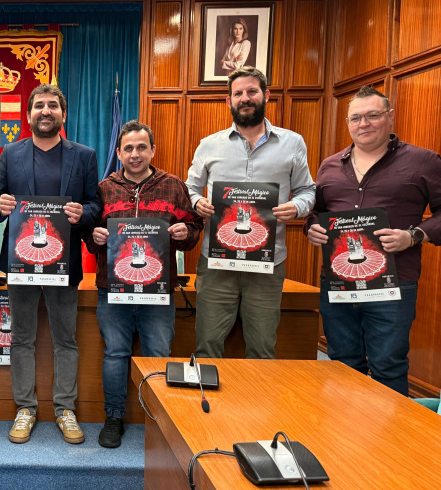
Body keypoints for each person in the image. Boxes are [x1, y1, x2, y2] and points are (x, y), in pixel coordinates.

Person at [304, 86, 441, 396]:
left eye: (372, 115)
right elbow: (317, 213)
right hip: (338, 284)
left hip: (393, 285)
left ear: (390, 117)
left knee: (388, 365)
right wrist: (312, 228)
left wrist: (413, 236)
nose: (362, 124)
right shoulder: (329, 165)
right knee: (341, 363)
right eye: (355, 118)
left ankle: (389, 443)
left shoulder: (423, 162)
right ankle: (344, 440)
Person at [0, 83, 102, 445]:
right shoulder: (10, 153)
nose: (46, 111)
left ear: (63, 115)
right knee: (21, 338)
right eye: (39, 106)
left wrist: (82, 212)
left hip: (63, 262)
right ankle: (25, 408)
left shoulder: (84, 155)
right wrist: (1, 207)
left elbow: (96, 206)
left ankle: (65, 409)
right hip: (21, 261)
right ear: (29, 115)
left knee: (65, 339)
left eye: (53, 106)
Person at [86, 120, 203, 448]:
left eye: (141, 147)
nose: (135, 154)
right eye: (128, 148)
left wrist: (185, 234)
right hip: (112, 288)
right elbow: (89, 233)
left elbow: (194, 228)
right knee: (115, 353)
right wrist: (93, 237)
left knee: (157, 352)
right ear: (119, 152)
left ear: (152, 150)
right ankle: (114, 417)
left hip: (158, 289)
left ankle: (159, 418)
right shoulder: (102, 189)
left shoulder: (174, 186)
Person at [185, 66, 315, 359]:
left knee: (262, 348)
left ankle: (256, 406)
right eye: (238, 93)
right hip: (217, 263)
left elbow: (309, 190)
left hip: (267, 265)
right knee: (207, 345)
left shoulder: (292, 143)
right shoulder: (209, 145)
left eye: (252, 91)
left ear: (266, 95)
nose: (245, 98)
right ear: (228, 101)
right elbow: (189, 189)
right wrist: (197, 203)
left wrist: (297, 207)